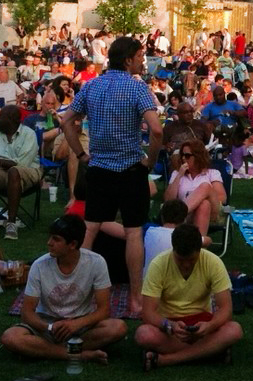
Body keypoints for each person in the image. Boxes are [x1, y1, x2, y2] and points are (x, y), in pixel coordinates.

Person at [61, 36, 163, 318]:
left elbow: (66, 120)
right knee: (133, 233)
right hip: (131, 168)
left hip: (99, 168)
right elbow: (156, 130)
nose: (143, 60)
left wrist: (81, 155)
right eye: (140, 56)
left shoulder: (91, 86)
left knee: (90, 229)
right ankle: (135, 299)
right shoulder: (137, 88)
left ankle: (75, 292)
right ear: (128, 59)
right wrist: (150, 161)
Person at [0, 215, 126, 365]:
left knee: (118, 327)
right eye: (50, 238)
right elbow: (26, 313)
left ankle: (47, 350)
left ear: (72, 244)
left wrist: (76, 324)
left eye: (56, 239)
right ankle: (78, 354)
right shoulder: (39, 266)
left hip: (82, 325)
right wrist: (49, 327)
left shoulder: (96, 262)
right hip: (47, 325)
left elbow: (104, 310)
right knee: (11, 337)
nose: (49, 243)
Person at [135, 224, 244, 370]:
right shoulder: (158, 264)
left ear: (200, 251)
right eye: (180, 260)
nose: (186, 265)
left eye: (191, 259)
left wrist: (209, 326)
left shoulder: (213, 262)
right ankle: (210, 351)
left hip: (201, 323)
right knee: (144, 335)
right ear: (173, 250)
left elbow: (226, 309)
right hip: (170, 326)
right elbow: (148, 313)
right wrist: (169, 325)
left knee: (234, 330)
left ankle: (167, 359)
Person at [0, 103, 40, 240]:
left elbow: (22, 164)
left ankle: (11, 222)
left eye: (3, 120)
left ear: (15, 121)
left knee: (14, 171)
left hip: (27, 172)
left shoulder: (29, 134)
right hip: (1, 171)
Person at [165, 140, 227, 243]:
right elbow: (168, 200)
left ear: (198, 157)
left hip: (212, 212)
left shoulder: (212, 173)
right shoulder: (177, 174)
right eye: (182, 155)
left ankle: (180, 214)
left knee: (205, 187)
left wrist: (199, 197)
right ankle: (197, 246)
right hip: (193, 213)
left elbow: (222, 198)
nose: (183, 158)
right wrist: (180, 175)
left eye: (187, 156)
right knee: (204, 204)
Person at [144, 200, 189, 275]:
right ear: (184, 220)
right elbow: (207, 240)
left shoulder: (148, 229)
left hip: (147, 283)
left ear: (162, 216)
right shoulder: (185, 236)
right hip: (172, 284)